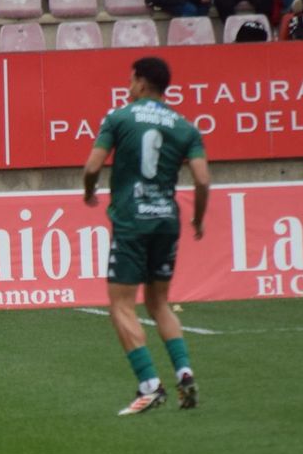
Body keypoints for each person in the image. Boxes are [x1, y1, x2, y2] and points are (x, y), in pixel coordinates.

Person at [81, 57, 208, 416]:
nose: (127, 86)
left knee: (121, 304)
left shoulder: (119, 117)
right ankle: (185, 373)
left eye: (130, 79)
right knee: (159, 303)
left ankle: (150, 385)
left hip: (132, 221)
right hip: (167, 221)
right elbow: (201, 179)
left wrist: (89, 191)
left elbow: (92, 166)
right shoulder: (185, 127)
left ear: (140, 82)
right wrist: (198, 218)